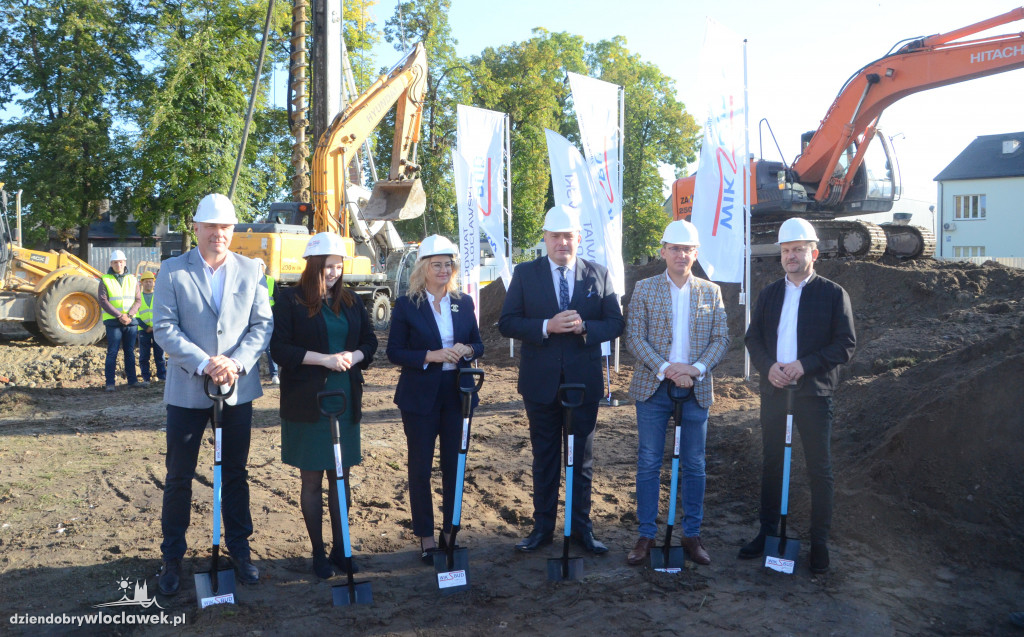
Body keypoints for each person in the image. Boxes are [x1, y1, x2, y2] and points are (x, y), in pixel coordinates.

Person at [153, 193, 273, 595]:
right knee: (178, 476)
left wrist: (235, 363)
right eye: (210, 226)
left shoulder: (251, 269)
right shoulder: (172, 271)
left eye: (224, 227)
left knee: (235, 474)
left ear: (232, 230)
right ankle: (172, 556)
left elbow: (262, 325)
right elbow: (164, 328)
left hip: (236, 390)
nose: (217, 233)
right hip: (188, 390)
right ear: (196, 228)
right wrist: (206, 363)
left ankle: (240, 549)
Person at [498, 204, 624, 554]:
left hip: (583, 384)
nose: (562, 243)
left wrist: (585, 328)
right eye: (555, 236)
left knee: (581, 460)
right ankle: (542, 529)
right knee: (545, 458)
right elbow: (507, 322)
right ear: (545, 238)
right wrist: (546, 326)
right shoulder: (526, 274)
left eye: (568, 236)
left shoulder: (598, 274)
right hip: (540, 384)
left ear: (578, 238)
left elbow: (615, 323)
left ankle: (582, 528)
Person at [739, 217, 856, 575]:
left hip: (814, 395)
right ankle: (767, 532)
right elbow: (753, 338)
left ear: (813, 253)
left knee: (819, 469)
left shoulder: (833, 294)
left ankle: (819, 543)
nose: (791, 255)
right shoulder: (770, 294)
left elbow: (845, 345)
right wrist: (769, 367)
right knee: (772, 463)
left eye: (798, 249)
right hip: (775, 392)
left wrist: (804, 365)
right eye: (786, 250)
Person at [270, 232, 378, 578]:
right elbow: (280, 349)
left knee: (341, 478)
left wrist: (353, 356)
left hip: (344, 399)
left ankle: (341, 550)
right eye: (328, 266)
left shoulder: (350, 300)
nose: (334, 273)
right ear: (312, 265)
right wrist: (325, 360)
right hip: (307, 402)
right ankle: (318, 553)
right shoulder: (290, 301)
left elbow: (370, 342)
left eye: (338, 266)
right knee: (313, 480)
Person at [623, 220, 729, 567]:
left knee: (695, 464)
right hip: (653, 387)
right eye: (675, 248)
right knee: (649, 461)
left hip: (695, 389)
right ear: (663, 251)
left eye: (687, 249)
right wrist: (668, 369)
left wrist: (695, 370)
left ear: (696, 253)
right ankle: (646, 535)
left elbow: (721, 339)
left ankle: (692, 534)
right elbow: (635, 337)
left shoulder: (711, 292)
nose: (681, 254)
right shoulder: (644, 288)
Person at [386, 235, 484, 562]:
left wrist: (467, 349)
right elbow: (394, 351)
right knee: (420, 468)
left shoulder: (463, 302)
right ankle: (426, 537)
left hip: (458, 395)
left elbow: (478, 344)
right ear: (423, 269)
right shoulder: (406, 305)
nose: (444, 270)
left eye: (448, 264)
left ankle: (450, 532)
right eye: (437, 265)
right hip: (420, 397)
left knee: (455, 466)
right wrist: (431, 355)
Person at [98, 249, 141, 391]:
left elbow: (138, 300)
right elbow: (103, 301)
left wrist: (129, 316)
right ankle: (110, 383)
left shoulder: (132, 279)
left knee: (130, 352)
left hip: (130, 322)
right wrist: (119, 316)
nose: (118, 265)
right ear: (111, 263)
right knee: (112, 352)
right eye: (115, 262)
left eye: (121, 262)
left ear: (125, 262)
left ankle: (132, 381)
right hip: (113, 322)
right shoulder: (105, 279)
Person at [136, 271, 166, 384]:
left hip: (158, 329)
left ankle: (162, 377)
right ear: (142, 283)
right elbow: (135, 315)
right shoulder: (138, 298)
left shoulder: (158, 297)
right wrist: (145, 327)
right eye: (146, 282)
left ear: (154, 283)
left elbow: (163, 312)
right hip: (143, 331)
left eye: (150, 281)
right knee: (144, 356)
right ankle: (146, 378)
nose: (148, 284)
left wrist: (156, 326)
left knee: (160, 355)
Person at [254, 258, 280, 385]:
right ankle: (254, 375)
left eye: (260, 266)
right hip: (254, 318)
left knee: (270, 348)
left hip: (270, 317)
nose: (259, 269)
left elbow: (278, 299)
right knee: (255, 348)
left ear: (264, 267)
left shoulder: (270, 280)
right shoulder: (249, 280)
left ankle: (274, 375)